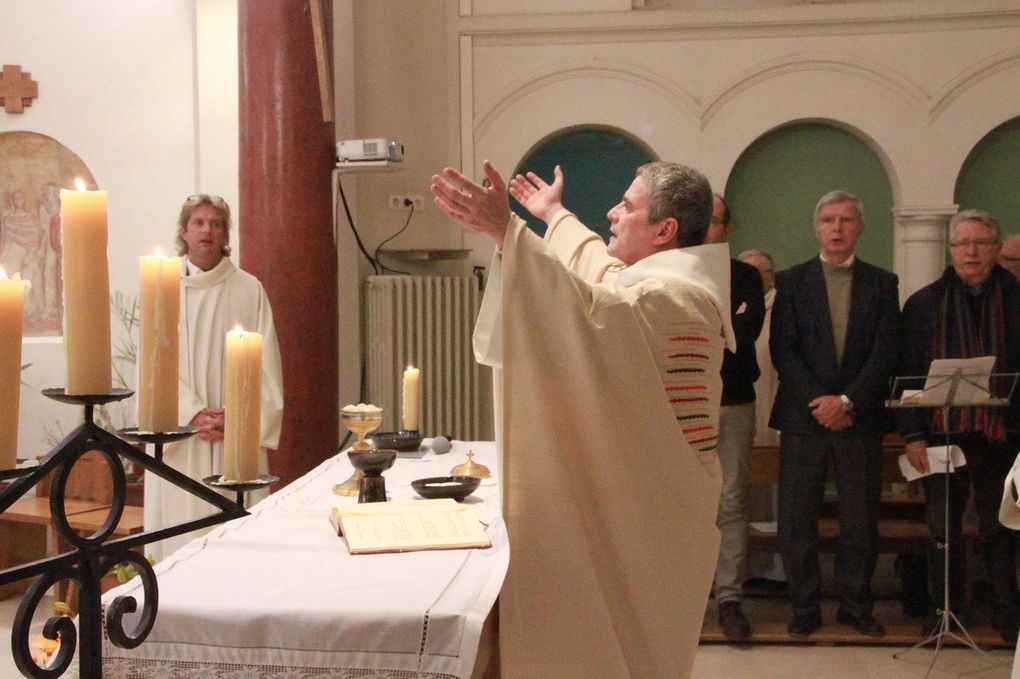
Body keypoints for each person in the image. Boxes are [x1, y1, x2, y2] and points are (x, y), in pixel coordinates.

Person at [431, 160, 734, 677]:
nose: (612, 213)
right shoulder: (662, 287)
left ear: (665, 231)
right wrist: (553, 214)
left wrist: (507, 230)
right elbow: (602, 273)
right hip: (650, 502)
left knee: (633, 648)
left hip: (653, 515)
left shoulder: (674, 299)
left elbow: (591, 310)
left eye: (628, 206)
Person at [770, 190, 899, 638]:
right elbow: (783, 351)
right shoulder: (791, 281)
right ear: (817, 227)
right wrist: (823, 402)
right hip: (804, 416)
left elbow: (887, 351)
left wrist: (847, 402)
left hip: (859, 417)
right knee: (797, 519)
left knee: (859, 519)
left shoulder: (883, 283)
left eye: (847, 219)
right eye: (829, 219)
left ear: (860, 228)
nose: (838, 227)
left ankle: (855, 607)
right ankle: (804, 607)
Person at [899, 209, 1020, 641]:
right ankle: (945, 610)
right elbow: (909, 376)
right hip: (940, 435)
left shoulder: (1017, 298)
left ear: (996, 249)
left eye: (981, 243)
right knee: (942, 529)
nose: (971, 252)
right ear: (950, 251)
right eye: (962, 244)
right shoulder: (924, 304)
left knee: (1002, 526)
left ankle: (1008, 611)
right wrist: (913, 435)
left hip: (1002, 436)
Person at [143, 194, 284, 561]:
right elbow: (151, 362)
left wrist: (240, 418)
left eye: (216, 224)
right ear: (184, 231)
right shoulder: (161, 286)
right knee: (179, 538)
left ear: (225, 234)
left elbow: (267, 363)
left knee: (234, 544)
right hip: (181, 440)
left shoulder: (248, 288)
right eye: (199, 223)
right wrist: (189, 412)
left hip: (232, 435)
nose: (208, 230)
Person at [705, 195, 766, 641]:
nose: (705, 226)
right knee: (680, 501)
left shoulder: (745, 276)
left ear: (727, 227)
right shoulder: (665, 267)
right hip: (679, 401)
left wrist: (704, 327)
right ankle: (683, 596)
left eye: (713, 219)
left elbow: (743, 336)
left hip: (734, 400)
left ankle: (729, 598)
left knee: (731, 500)